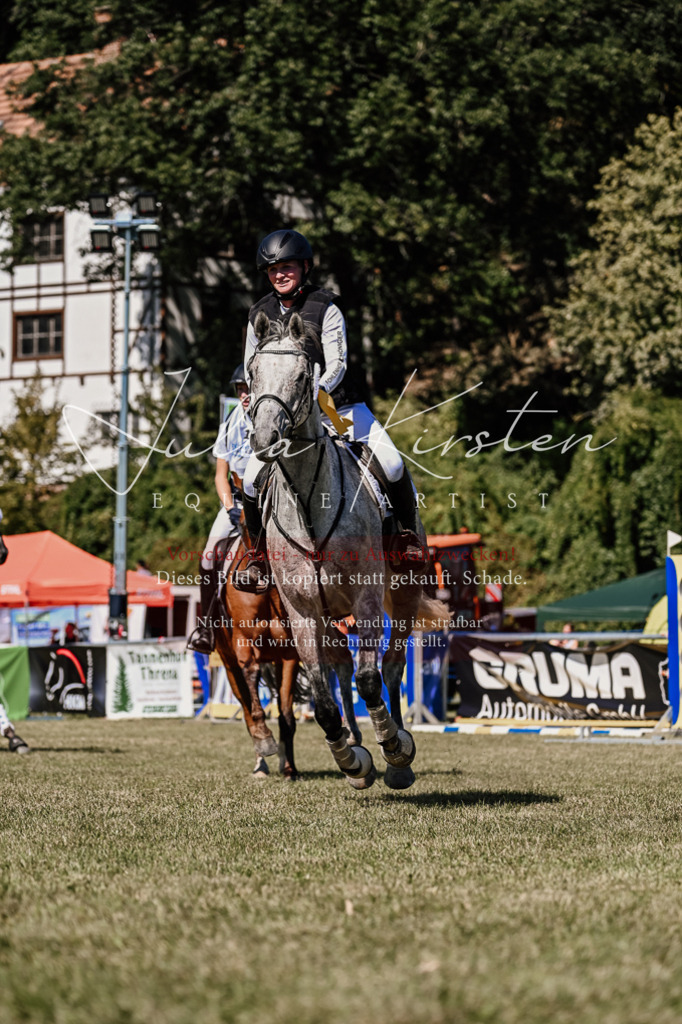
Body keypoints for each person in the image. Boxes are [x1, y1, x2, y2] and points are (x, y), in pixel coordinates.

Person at [236, 228, 425, 591]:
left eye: (287, 267)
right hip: (285, 417)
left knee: (392, 463)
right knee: (249, 480)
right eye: (273, 270)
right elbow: (250, 366)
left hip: (339, 407)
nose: (280, 275)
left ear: (304, 267)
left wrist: (315, 392)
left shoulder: (326, 306)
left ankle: (406, 538)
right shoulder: (258, 312)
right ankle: (259, 559)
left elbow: (337, 362)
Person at [186, 364, 253, 654]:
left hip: (268, 503)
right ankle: (207, 628)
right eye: (240, 389)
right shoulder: (230, 423)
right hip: (235, 502)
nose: (244, 394)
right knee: (207, 558)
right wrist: (230, 509)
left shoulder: (271, 417)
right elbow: (219, 475)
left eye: (248, 388)